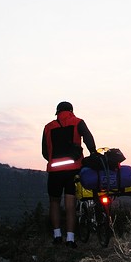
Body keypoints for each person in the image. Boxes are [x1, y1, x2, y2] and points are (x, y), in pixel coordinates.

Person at [42, 101, 97, 248]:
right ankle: (71, 239)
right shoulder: (78, 122)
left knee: (54, 202)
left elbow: (44, 152)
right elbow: (88, 139)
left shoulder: (48, 127)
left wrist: (54, 161)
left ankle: (57, 235)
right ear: (71, 110)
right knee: (70, 204)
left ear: (57, 112)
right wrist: (93, 152)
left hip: (54, 171)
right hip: (73, 170)